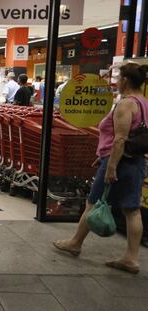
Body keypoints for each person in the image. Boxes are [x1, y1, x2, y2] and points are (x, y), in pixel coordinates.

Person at [53, 62, 148, 274]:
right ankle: (131, 258)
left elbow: (120, 140)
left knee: (92, 203)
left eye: (118, 78)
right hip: (137, 162)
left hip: (120, 162)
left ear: (125, 80)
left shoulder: (125, 105)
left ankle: (75, 242)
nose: (116, 82)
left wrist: (111, 165)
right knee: (132, 210)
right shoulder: (144, 103)